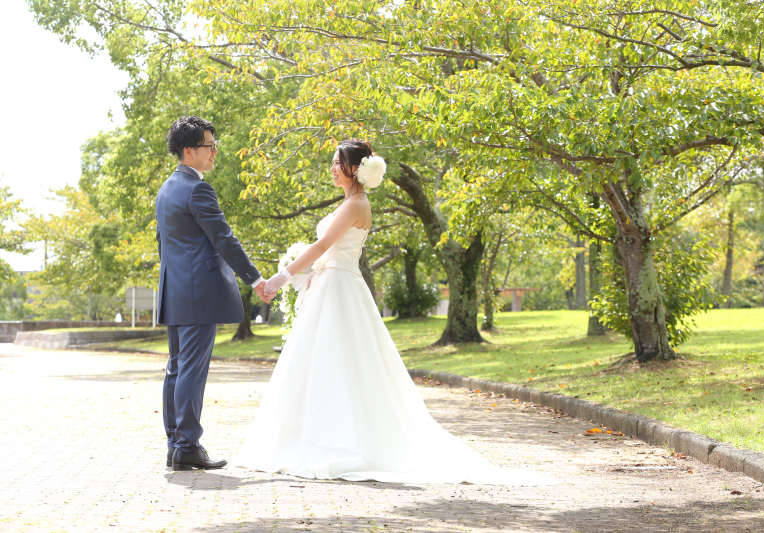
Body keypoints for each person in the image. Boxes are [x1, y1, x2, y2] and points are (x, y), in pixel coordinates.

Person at [237, 139, 554, 485]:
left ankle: (344, 443)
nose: (331, 168)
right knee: (323, 363)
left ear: (355, 169)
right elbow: (323, 251)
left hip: (341, 291)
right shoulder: (349, 202)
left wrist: (281, 278)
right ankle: (309, 438)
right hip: (329, 288)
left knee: (343, 363)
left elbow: (322, 245)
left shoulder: (357, 204)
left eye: (337, 163)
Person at [156, 116, 273, 471]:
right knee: (190, 370)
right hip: (197, 293)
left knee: (176, 369)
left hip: (174, 290)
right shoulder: (197, 189)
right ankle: (188, 444)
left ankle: (176, 443)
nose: (215, 151)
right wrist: (255, 279)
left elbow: (164, 244)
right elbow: (223, 238)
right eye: (209, 145)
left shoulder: (166, 189)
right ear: (189, 151)